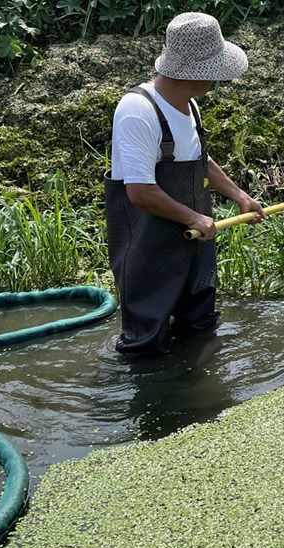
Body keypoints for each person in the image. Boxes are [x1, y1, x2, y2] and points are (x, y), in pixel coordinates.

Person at [105, 12, 264, 357]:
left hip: (194, 246)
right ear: (203, 76)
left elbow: (200, 159)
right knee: (145, 344)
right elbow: (140, 192)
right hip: (148, 250)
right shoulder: (138, 110)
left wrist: (240, 196)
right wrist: (193, 218)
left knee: (199, 327)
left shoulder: (190, 105)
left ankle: (200, 392)